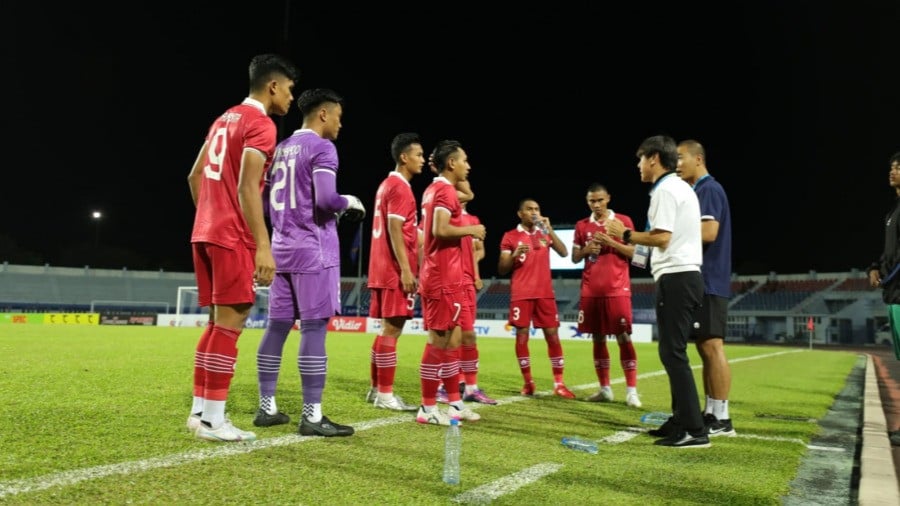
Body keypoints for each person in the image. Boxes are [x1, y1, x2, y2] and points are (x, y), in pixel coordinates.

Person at [185, 54, 299, 443]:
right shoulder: (261, 124)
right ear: (272, 86)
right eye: (288, 88)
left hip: (205, 231)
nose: (290, 96)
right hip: (231, 236)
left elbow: (195, 175)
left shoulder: (225, 118)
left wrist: (211, 215)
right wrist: (262, 246)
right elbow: (248, 186)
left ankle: (200, 412)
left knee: (218, 323)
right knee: (232, 321)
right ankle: (214, 421)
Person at [252, 88, 365, 438]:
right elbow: (327, 200)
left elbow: (269, 204)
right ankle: (312, 415)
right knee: (314, 329)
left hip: (282, 248)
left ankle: (267, 407)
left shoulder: (282, 148)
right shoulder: (322, 147)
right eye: (339, 117)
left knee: (277, 327)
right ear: (323, 115)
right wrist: (351, 201)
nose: (340, 125)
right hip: (313, 251)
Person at [605, 134, 709, 448]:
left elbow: (662, 238)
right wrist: (619, 243)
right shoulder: (680, 187)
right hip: (683, 275)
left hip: (677, 277)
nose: (638, 166)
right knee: (673, 351)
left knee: (672, 352)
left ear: (653, 158)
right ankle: (681, 420)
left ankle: (694, 429)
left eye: (640, 159)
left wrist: (624, 233)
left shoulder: (665, 189)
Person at [416, 139, 486, 426]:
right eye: (464, 160)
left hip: (450, 278)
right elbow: (440, 229)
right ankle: (427, 407)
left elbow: (467, 192)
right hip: (442, 277)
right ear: (451, 163)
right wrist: (472, 229)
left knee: (453, 340)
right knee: (438, 341)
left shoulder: (439, 189)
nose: (468, 165)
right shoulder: (443, 191)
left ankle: (454, 404)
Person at [676, 139, 735, 437]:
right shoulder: (697, 190)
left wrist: (672, 235)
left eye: (680, 158)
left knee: (712, 345)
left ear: (698, 159)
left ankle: (723, 418)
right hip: (705, 279)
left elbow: (709, 232)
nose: (676, 164)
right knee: (704, 347)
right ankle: (712, 410)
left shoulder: (708, 189)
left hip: (710, 279)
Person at [363, 132, 425, 412]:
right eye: (419, 155)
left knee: (387, 329)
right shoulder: (400, 187)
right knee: (393, 328)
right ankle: (386, 395)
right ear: (404, 157)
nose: (422, 160)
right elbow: (395, 229)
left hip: (380, 266)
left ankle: (377, 389)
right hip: (393, 268)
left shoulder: (386, 184)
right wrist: (405, 270)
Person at [571, 183, 641, 408]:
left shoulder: (623, 222)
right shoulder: (582, 226)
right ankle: (605, 389)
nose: (597, 205)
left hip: (617, 290)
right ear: (587, 201)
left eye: (600, 200)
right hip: (591, 291)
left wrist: (612, 242)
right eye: (592, 201)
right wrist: (586, 250)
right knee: (597, 338)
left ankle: (631, 391)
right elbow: (574, 258)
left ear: (608, 198)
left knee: (623, 337)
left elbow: (638, 256)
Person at [497, 199, 575, 399]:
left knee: (553, 335)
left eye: (537, 209)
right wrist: (514, 255)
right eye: (529, 209)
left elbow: (564, 252)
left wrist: (549, 229)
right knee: (522, 336)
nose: (534, 212)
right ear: (520, 213)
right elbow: (502, 269)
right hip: (521, 294)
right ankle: (528, 382)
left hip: (545, 293)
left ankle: (559, 383)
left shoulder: (543, 234)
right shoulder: (510, 236)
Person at [436, 179, 498, 405]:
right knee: (451, 336)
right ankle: (445, 386)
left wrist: (474, 270)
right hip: (448, 281)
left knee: (469, 334)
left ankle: (471, 387)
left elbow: (479, 251)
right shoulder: (441, 216)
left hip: (468, 282)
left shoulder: (473, 220)